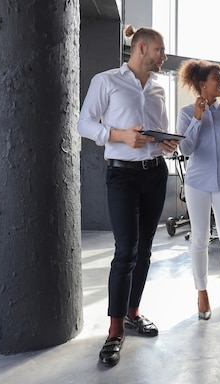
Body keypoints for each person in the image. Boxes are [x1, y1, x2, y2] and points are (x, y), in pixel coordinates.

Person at [77, 25, 179, 366]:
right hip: (121, 175)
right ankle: (115, 330)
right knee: (126, 252)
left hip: (155, 173)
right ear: (143, 48)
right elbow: (84, 124)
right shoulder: (106, 81)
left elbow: (157, 132)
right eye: (160, 51)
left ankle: (134, 312)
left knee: (146, 250)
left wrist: (165, 142)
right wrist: (118, 135)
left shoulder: (159, 89)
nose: (164, 57)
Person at [175, 59, 220, 320]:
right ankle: (202, 292)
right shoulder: (186, 113)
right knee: (200, 239)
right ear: (202, 84)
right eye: (217, 78)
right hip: (196, 184)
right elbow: (185, 149)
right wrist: (197, 119)